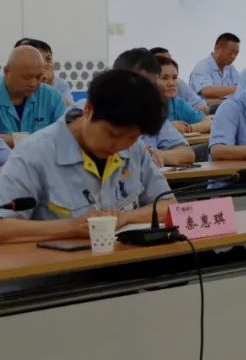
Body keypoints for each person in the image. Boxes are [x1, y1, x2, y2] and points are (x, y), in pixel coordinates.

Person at [0, 69, 173, 242]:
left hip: (125, 256)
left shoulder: (135, 149)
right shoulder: (34, 153)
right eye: (112, 134)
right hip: (60, 259)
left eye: (131, 137)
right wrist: (72, 227)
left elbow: (169, 205)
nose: (118, 146)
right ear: (88, 110)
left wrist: (126, 218)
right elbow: (3, 226)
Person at [111, 49, 196, 167]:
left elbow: (187, 154)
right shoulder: (99, 114)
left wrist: (156, 155)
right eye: (143, 85)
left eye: (152, 86)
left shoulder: (153, 115)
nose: (149, 92)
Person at [0, 45, 66, 147]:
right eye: (27, 77)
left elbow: (64, 137)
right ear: (6, 71)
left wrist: (11, 139)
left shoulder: (52, 98)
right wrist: (34, 139)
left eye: (39, 77)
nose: (33, 83)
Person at [155, 55, 212, 134]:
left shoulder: (177, 104)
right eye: (164, 78)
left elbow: (209, 123)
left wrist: (188, 128)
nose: (171, 83)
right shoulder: (141, 105)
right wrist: (169, 127)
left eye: (174, 77)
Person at [15, 38, 73, 107]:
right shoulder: (15, 84)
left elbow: (69, 110)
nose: (45, 64)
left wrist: (49, 84)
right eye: (38, 59)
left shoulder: (60, 84)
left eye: (48, 59)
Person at [150, 47, 208, 113]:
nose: (171, 83)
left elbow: (202, 105)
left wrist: (187, 112)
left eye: (169, 60)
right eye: (161, 60)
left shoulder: (179, 85)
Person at [189, 32, 241, 102]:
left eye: (236, 53)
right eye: (231, 52)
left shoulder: (231, 68)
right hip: (202, 107)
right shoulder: (202, 67)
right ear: (218, 49)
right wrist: (237, 88)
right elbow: (206, 91)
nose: (233, 57)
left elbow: (242, 85)